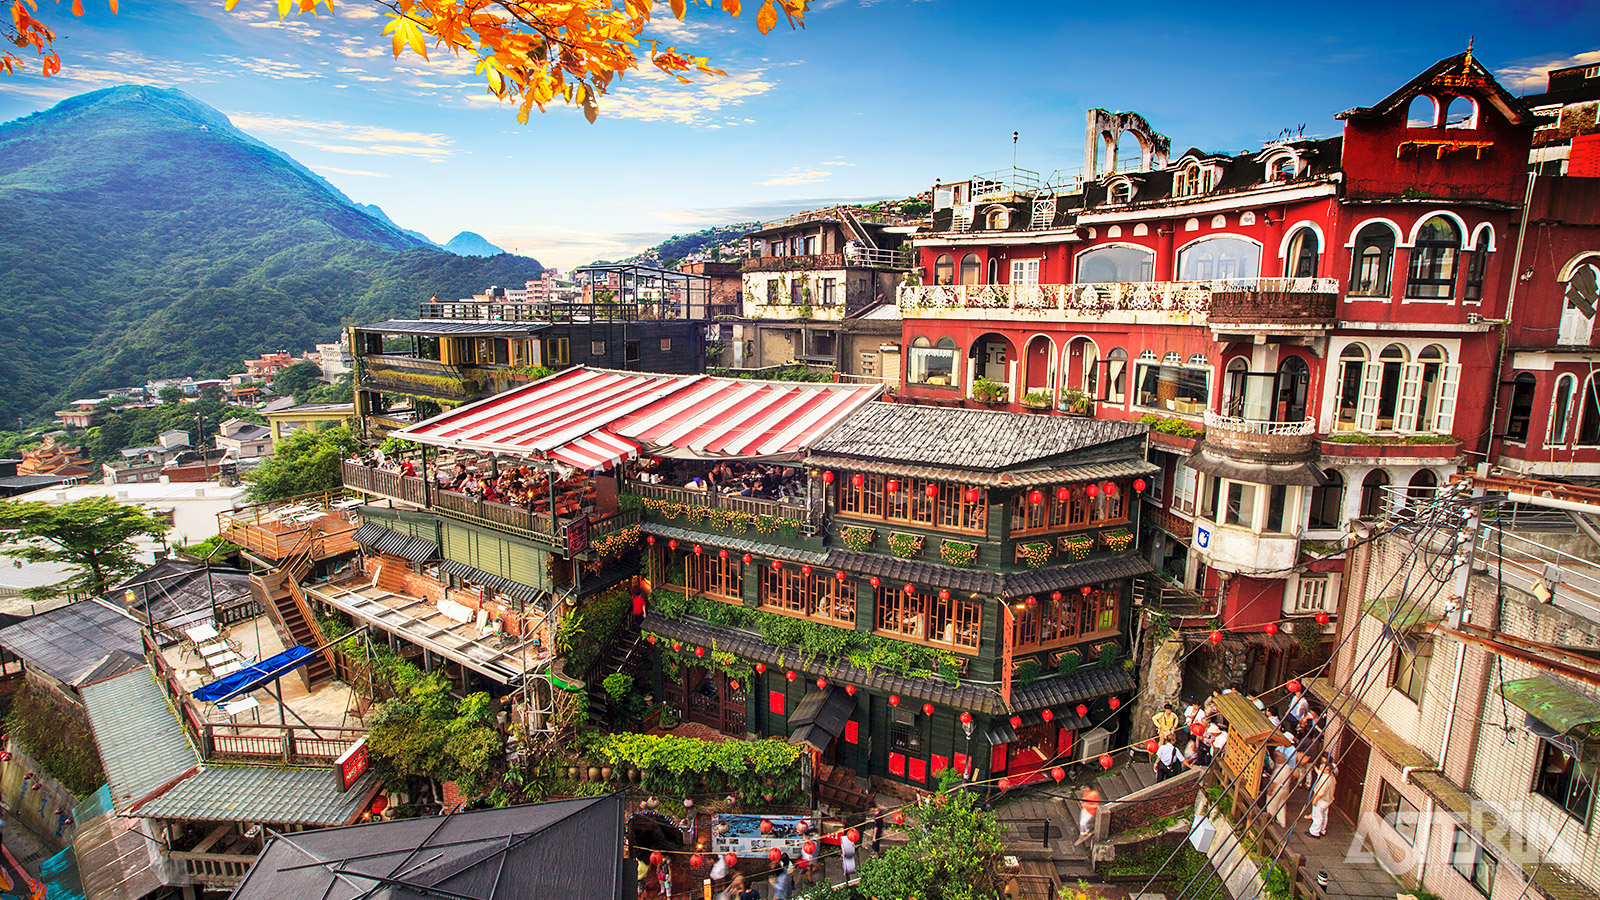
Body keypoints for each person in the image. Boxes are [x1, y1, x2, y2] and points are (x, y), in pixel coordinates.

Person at [1307, 764, 1337, 837]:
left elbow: (1321, 792)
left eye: (1322, 767)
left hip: (1321, 800)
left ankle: (1315, 832)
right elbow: (1320, 773)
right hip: (1328, 800)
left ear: (1326, 770)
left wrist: (1315, 800)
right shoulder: (1331, 776)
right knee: (1324, 815)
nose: (1320, 767)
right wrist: (1314, 767)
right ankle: (1322, 830)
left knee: (1317, 816)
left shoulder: (1325, 780)